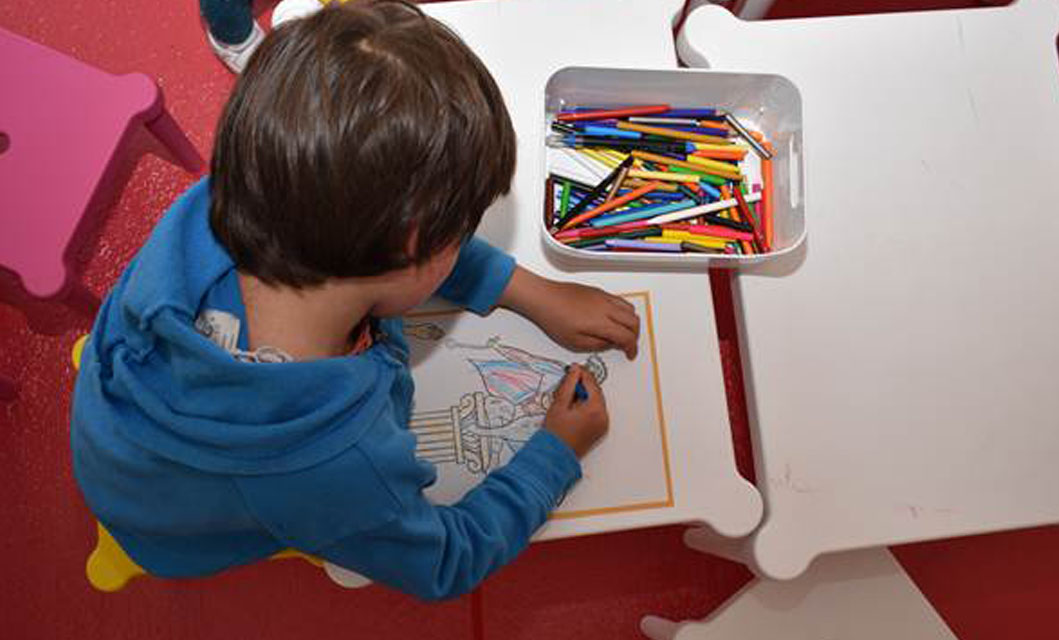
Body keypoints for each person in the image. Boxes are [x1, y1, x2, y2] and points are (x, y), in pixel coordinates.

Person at [71, 0, 640, 600]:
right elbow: (447, 561)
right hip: (172, 528)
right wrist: (556, 454)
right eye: (458, 232)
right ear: (416, 245)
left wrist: (533, 293)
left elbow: (383, 231)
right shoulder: (339, 467)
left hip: (121, 428)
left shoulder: (232, 195)